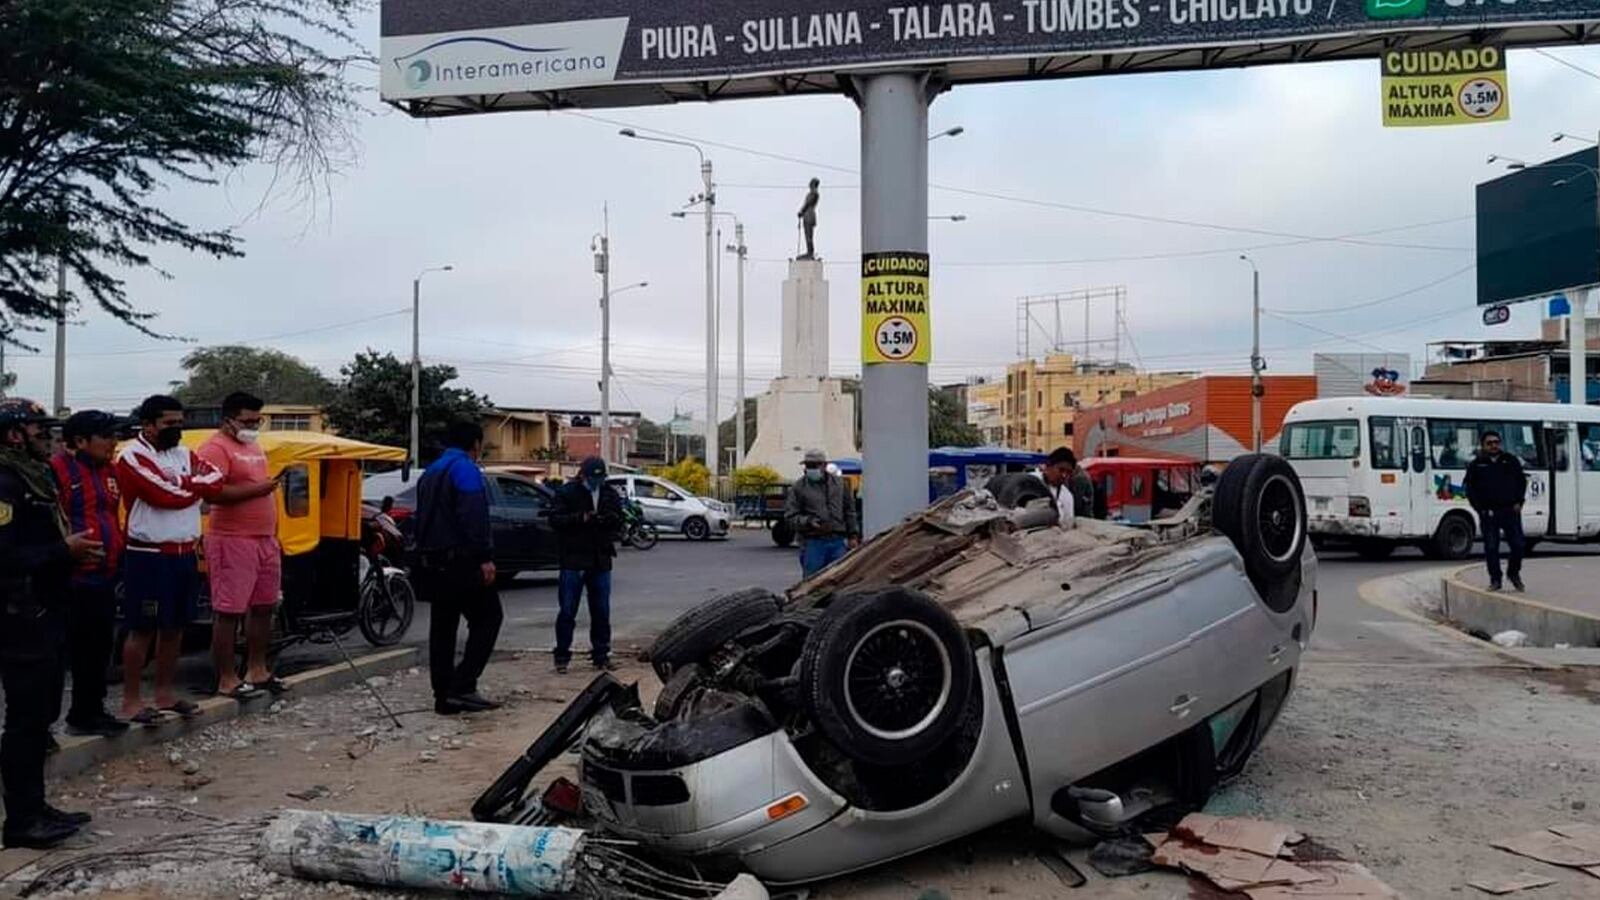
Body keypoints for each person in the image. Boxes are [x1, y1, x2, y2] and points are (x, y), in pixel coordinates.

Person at [1, 398, 101, 848]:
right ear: (14, 433)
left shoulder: (31, 476)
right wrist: (66, 551)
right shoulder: (4, 482)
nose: (50, 436)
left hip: (46, 610)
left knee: (41, 716)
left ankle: (35, 807)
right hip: (20, 617)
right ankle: (21, 821)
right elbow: (5, 559)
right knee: (25, 722)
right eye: (40, 428)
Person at [115, 395, 222, 725]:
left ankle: (165, 694)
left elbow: (216, 479)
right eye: (169, 424)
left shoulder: (183, 453)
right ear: (148, 425)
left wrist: (182, 483)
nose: (176, 429)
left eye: (179, 422)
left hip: (185, 553)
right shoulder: (132, 456)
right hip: (149, 556)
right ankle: (132, 701)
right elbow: (165, 496)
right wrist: (192, 486)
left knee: (175, 628)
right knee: (142, 628)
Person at [196, 392, 282, 700]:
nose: (253, 426)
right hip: (232, 539)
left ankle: (257, 670)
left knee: (264, 606)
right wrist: (259, 489)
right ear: (229, 420)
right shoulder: (214, 448)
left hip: (264, 538)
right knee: (229, 610)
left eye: (257, 420)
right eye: (247, 421)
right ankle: (226, 678)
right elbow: (211, 493)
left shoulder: (253, 445)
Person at [48, 410, 129, 737]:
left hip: (104, 576)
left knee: (97, 651)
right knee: (56, 658)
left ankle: (88, 713)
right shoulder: (57, 471)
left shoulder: (109, 471)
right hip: (69, 580)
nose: (113, 442)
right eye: (106, 436)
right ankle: (42, 729)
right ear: (80, 441)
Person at [414, 420, 502, 715]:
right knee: (489, 618)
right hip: (461, 561)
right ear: (475, 444)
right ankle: (463, 685)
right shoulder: (465, 469)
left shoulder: (431, 471)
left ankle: (443, 695)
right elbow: (473, 515)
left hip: (432, 560)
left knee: (442, 628)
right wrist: (484, 556)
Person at [550, 456, 624, 674]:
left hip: (600, 559)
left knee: (601, 611)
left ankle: (601, 654)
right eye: (592, 478)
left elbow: (618, 520)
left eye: (599, 479)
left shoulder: (609, 493)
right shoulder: (567, 493)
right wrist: (580, 518)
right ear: (583, 475)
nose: (596, 483)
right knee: (567, 611)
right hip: (573, 559)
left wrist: (607, 521)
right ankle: (562, 656)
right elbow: (555, 520)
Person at [1463, 430, 1528, 592]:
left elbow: (1521, 482)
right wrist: (1480, 509)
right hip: (1489, 512)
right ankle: (1495, 579)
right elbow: (1470, 490)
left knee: (1518, 545)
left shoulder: (1510, 460)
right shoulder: (1476, 464)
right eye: (1490, 443)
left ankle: (1513, 573)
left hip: (1510, 510)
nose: (1494, 445)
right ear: (1483, 445)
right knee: (1491, 547)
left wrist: (1519, 502)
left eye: (1496, 442)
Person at [785, 449, 859, 577]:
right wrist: (808, 522)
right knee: (812, 582)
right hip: (813, 542)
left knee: (839, 579)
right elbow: (790, 516)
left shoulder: (840, 484)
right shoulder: (798, 487)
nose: (810, 469)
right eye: (808, 466)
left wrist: (853, 535)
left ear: (824, 465)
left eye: (814, 465)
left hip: (837, 541)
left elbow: (849, 511)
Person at [1038, 447, 1079, 528]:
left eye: (1068, 472)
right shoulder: (1029, 483)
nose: (1064, 475)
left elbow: (1067, 526)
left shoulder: (1067, 496)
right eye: (1061, 470)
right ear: (1048, 467)